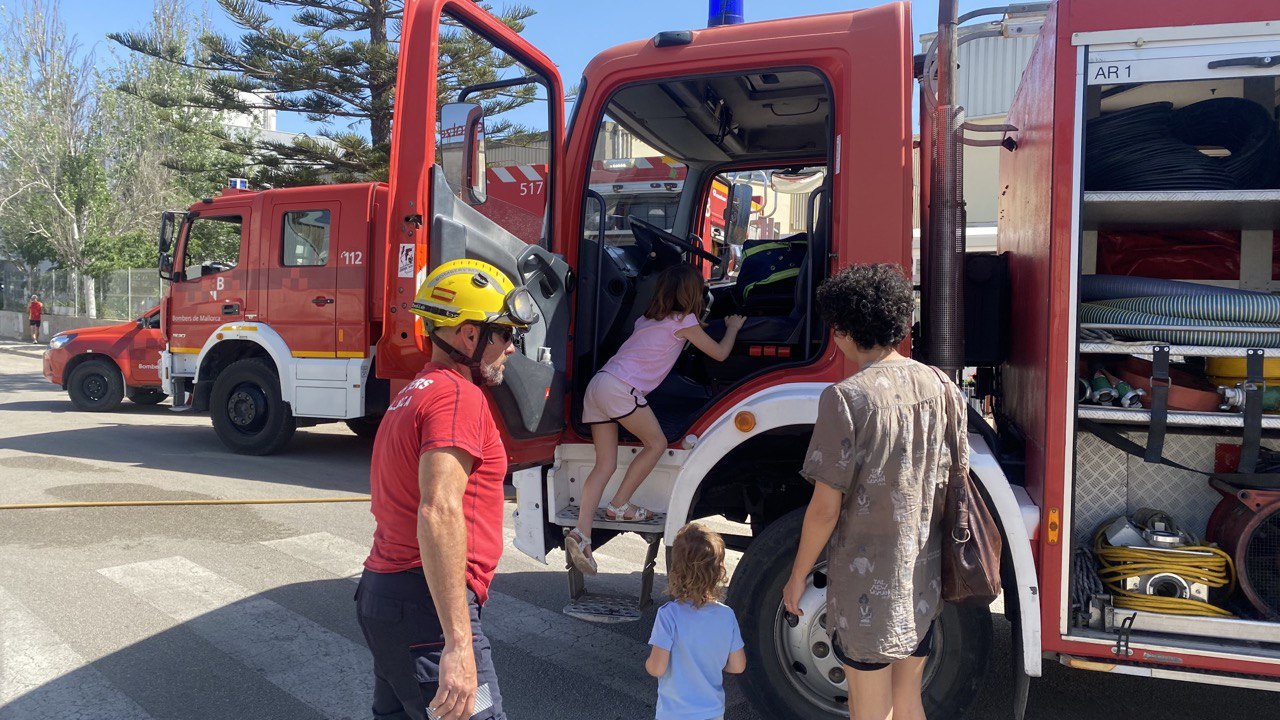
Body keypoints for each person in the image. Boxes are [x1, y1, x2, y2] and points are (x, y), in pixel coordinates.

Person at [782, 264, 967, 720]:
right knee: (908, 700)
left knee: (869, 708)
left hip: (866, 586)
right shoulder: (941, 385)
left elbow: (825, 510)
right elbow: (954, 473)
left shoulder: (846, 398)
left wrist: (797, 575)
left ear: (844, 331)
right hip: (921, 578)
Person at [356, 259, 540, 720]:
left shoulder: (410, 394)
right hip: (426, 614)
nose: (511, 349)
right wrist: (458, 643)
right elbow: (438, 510)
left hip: (388, 599)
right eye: (504, 334)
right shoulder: (458, 396)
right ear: (468, 334)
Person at [565, 264, 745, 574]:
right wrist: (733, 328)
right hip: (621, 389)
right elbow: (718, 354)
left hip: (599, 385)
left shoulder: (644, 320)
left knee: (604, 464)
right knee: (656, 442)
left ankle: (582, 534)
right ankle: (620, 505)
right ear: (691, 294)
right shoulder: (685, 321)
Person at [645, 523, 747, 720]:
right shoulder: (727, 616)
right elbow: (737, 666)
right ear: (719, 571)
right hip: (712, 713)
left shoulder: (669, 615)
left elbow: (657, 668)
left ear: (676, 571)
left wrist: (649, 663)